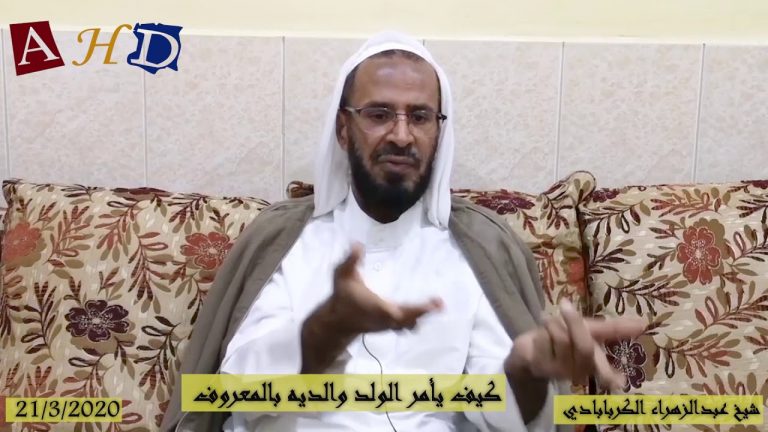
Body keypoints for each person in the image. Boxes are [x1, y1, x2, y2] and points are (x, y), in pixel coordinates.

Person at [162, 31, 645, 432]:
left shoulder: (479, 248)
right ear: (343, 129)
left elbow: (500, 415)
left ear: (439, 131)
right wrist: (323, 332)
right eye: (378, 114)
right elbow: (235, 393)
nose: (401, 134)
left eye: (419, 116)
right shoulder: (287, 240)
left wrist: (525, 370)